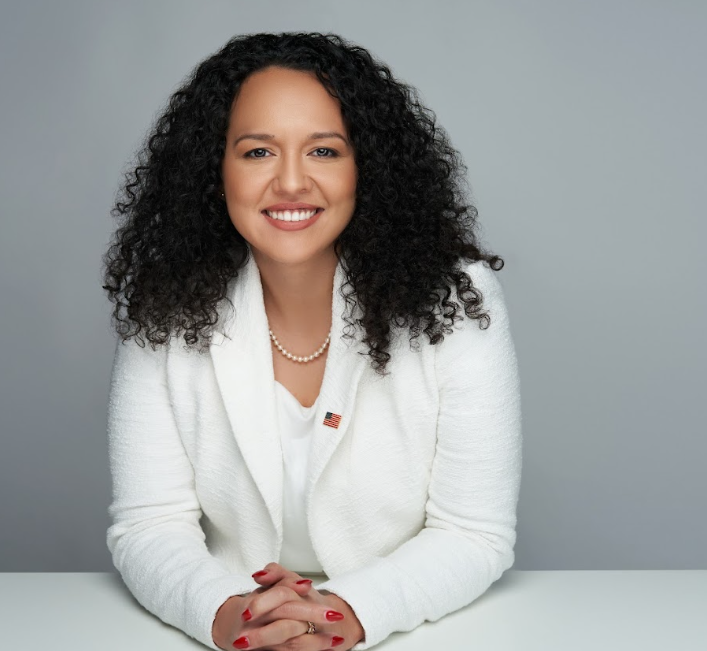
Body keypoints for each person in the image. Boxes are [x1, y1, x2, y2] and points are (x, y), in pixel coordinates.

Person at [102, 31, 522, 651]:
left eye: (324, 151)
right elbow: (147, 525)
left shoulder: (454, 298)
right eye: (256, 153)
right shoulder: (166, 304)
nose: (292, 182)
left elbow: (474, 531)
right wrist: (228, 614)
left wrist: (346, 613)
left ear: (366, 167)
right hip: (242, 615)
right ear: (214, 170)